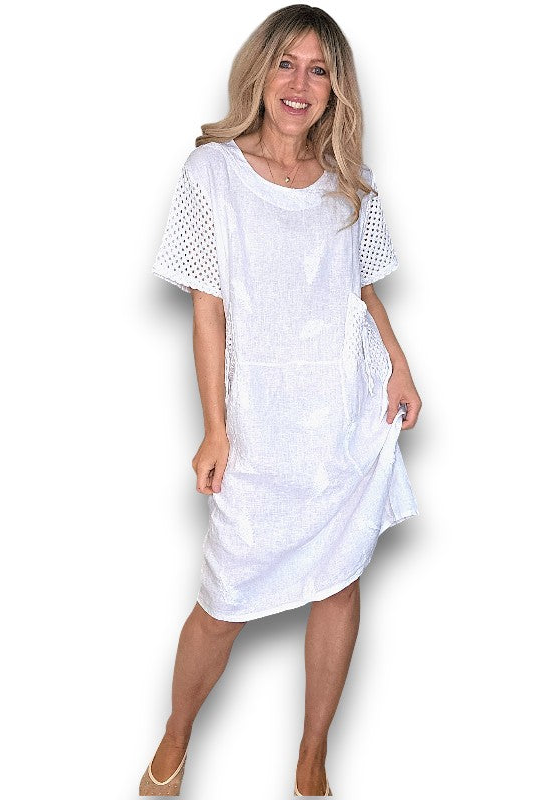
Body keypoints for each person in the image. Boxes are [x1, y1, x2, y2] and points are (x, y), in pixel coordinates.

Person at [140, 5, 422, 797]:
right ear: (260, 73)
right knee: (223, 602)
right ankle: (176, 733)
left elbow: (361, 290)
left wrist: (399, 368)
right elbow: (208, 311)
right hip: (261, 422)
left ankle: (312, 756)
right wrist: (215, 430)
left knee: (339, 583)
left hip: (344, 416)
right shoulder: (213, 172)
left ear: (337, 89)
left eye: (319, 69)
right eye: (286, 64)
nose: (300, 83)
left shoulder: (349, 183)